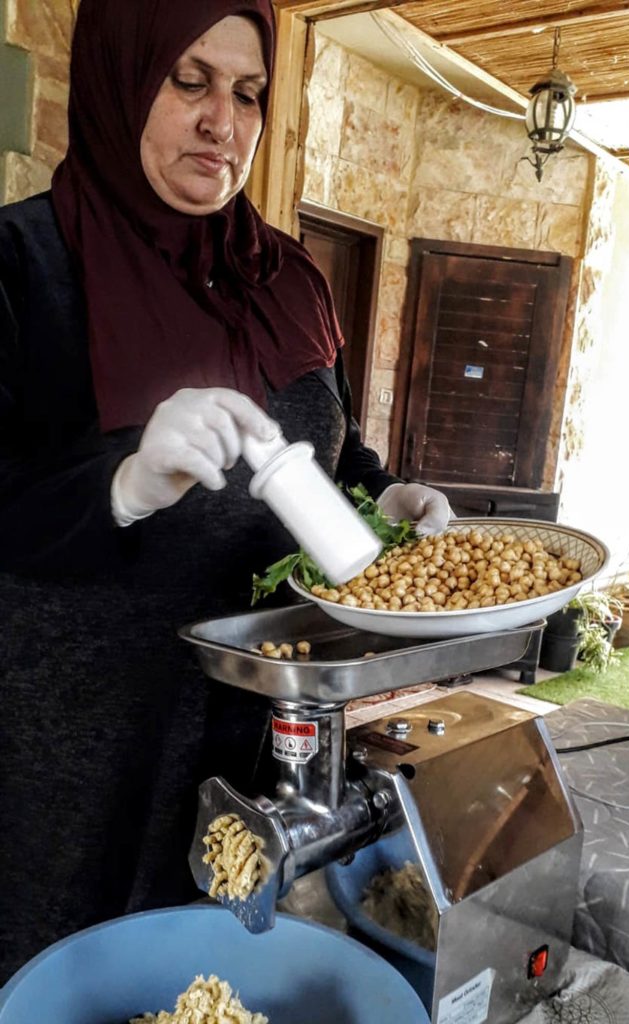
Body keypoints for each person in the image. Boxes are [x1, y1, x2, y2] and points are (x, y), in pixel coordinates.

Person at [0, 0, 452, 984]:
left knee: (207, 978)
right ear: (123, 84)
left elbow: (334, 453)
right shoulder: (24, 267)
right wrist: (125, 480)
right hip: (73, 744)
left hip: (249, 732)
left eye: (249, 94)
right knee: (63, 974)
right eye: (190, 81)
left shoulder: (290, 280)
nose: (226, 123)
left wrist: (389, 494)